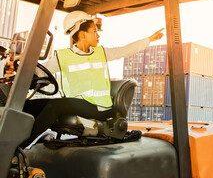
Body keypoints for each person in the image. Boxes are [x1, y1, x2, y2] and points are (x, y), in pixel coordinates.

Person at [21, 10, 164, 148]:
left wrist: (149, 39)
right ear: (82, 33)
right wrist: (20, 73)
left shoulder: (101, 53)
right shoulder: (63, 57)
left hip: (99, 108)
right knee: (30, 105)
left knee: (54, 106)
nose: (98, 36)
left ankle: (19, 146)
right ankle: (10, 139)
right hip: (77, 104)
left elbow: (124, 50)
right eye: (94, 31)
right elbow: (39, 70)